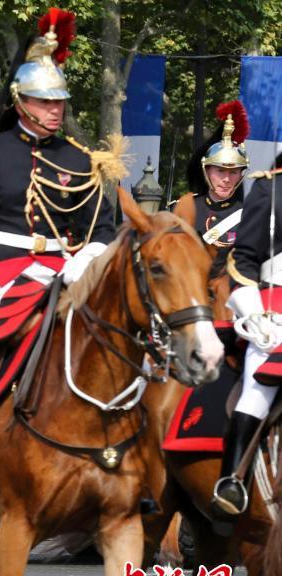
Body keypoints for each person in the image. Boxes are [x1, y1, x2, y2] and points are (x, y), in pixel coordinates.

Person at [0, 9, 117, 512]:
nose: (55, 110)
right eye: (44, 101)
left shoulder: (82, 159)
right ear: (21, 102)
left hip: (63, 278)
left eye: (59, 101)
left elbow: (105, 230)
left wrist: (86, 261)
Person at [216, 158, 282, 519]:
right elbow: (242, 262)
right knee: (259, 388)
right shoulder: (270, 188)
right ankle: (231, 481)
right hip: (275, 309)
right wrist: (253, 312)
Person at [174, 101, 249, 271]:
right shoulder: (185, 208)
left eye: (233, 172)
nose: (226, 179)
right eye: (220, 171)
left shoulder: (249, 216)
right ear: (206, 171)